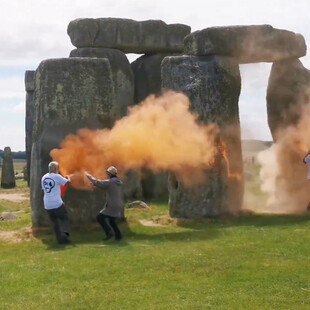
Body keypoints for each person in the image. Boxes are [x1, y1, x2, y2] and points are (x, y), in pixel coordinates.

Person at [85, 166, 124, 241]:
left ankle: (109, 233)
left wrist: (87, 175)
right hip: (119, 204)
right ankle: (118, 236)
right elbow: (105, 186)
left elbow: (98, 182)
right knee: (111, 220)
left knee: (100, 217)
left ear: (109, 174)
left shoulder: (110, 182)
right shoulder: (117, 182)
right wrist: (95, 185)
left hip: (112, 204)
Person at [41, 161, 71, 244]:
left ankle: (59, 240)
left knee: (55, 223)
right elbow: (67, 183)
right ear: (55, 169)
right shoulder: (57, 176)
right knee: (64, 219)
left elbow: (45, 189)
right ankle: (65, 237)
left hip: (47, 204)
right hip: (57, 203)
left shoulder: (44, 177)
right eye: (58, 168)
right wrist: (68, 177)